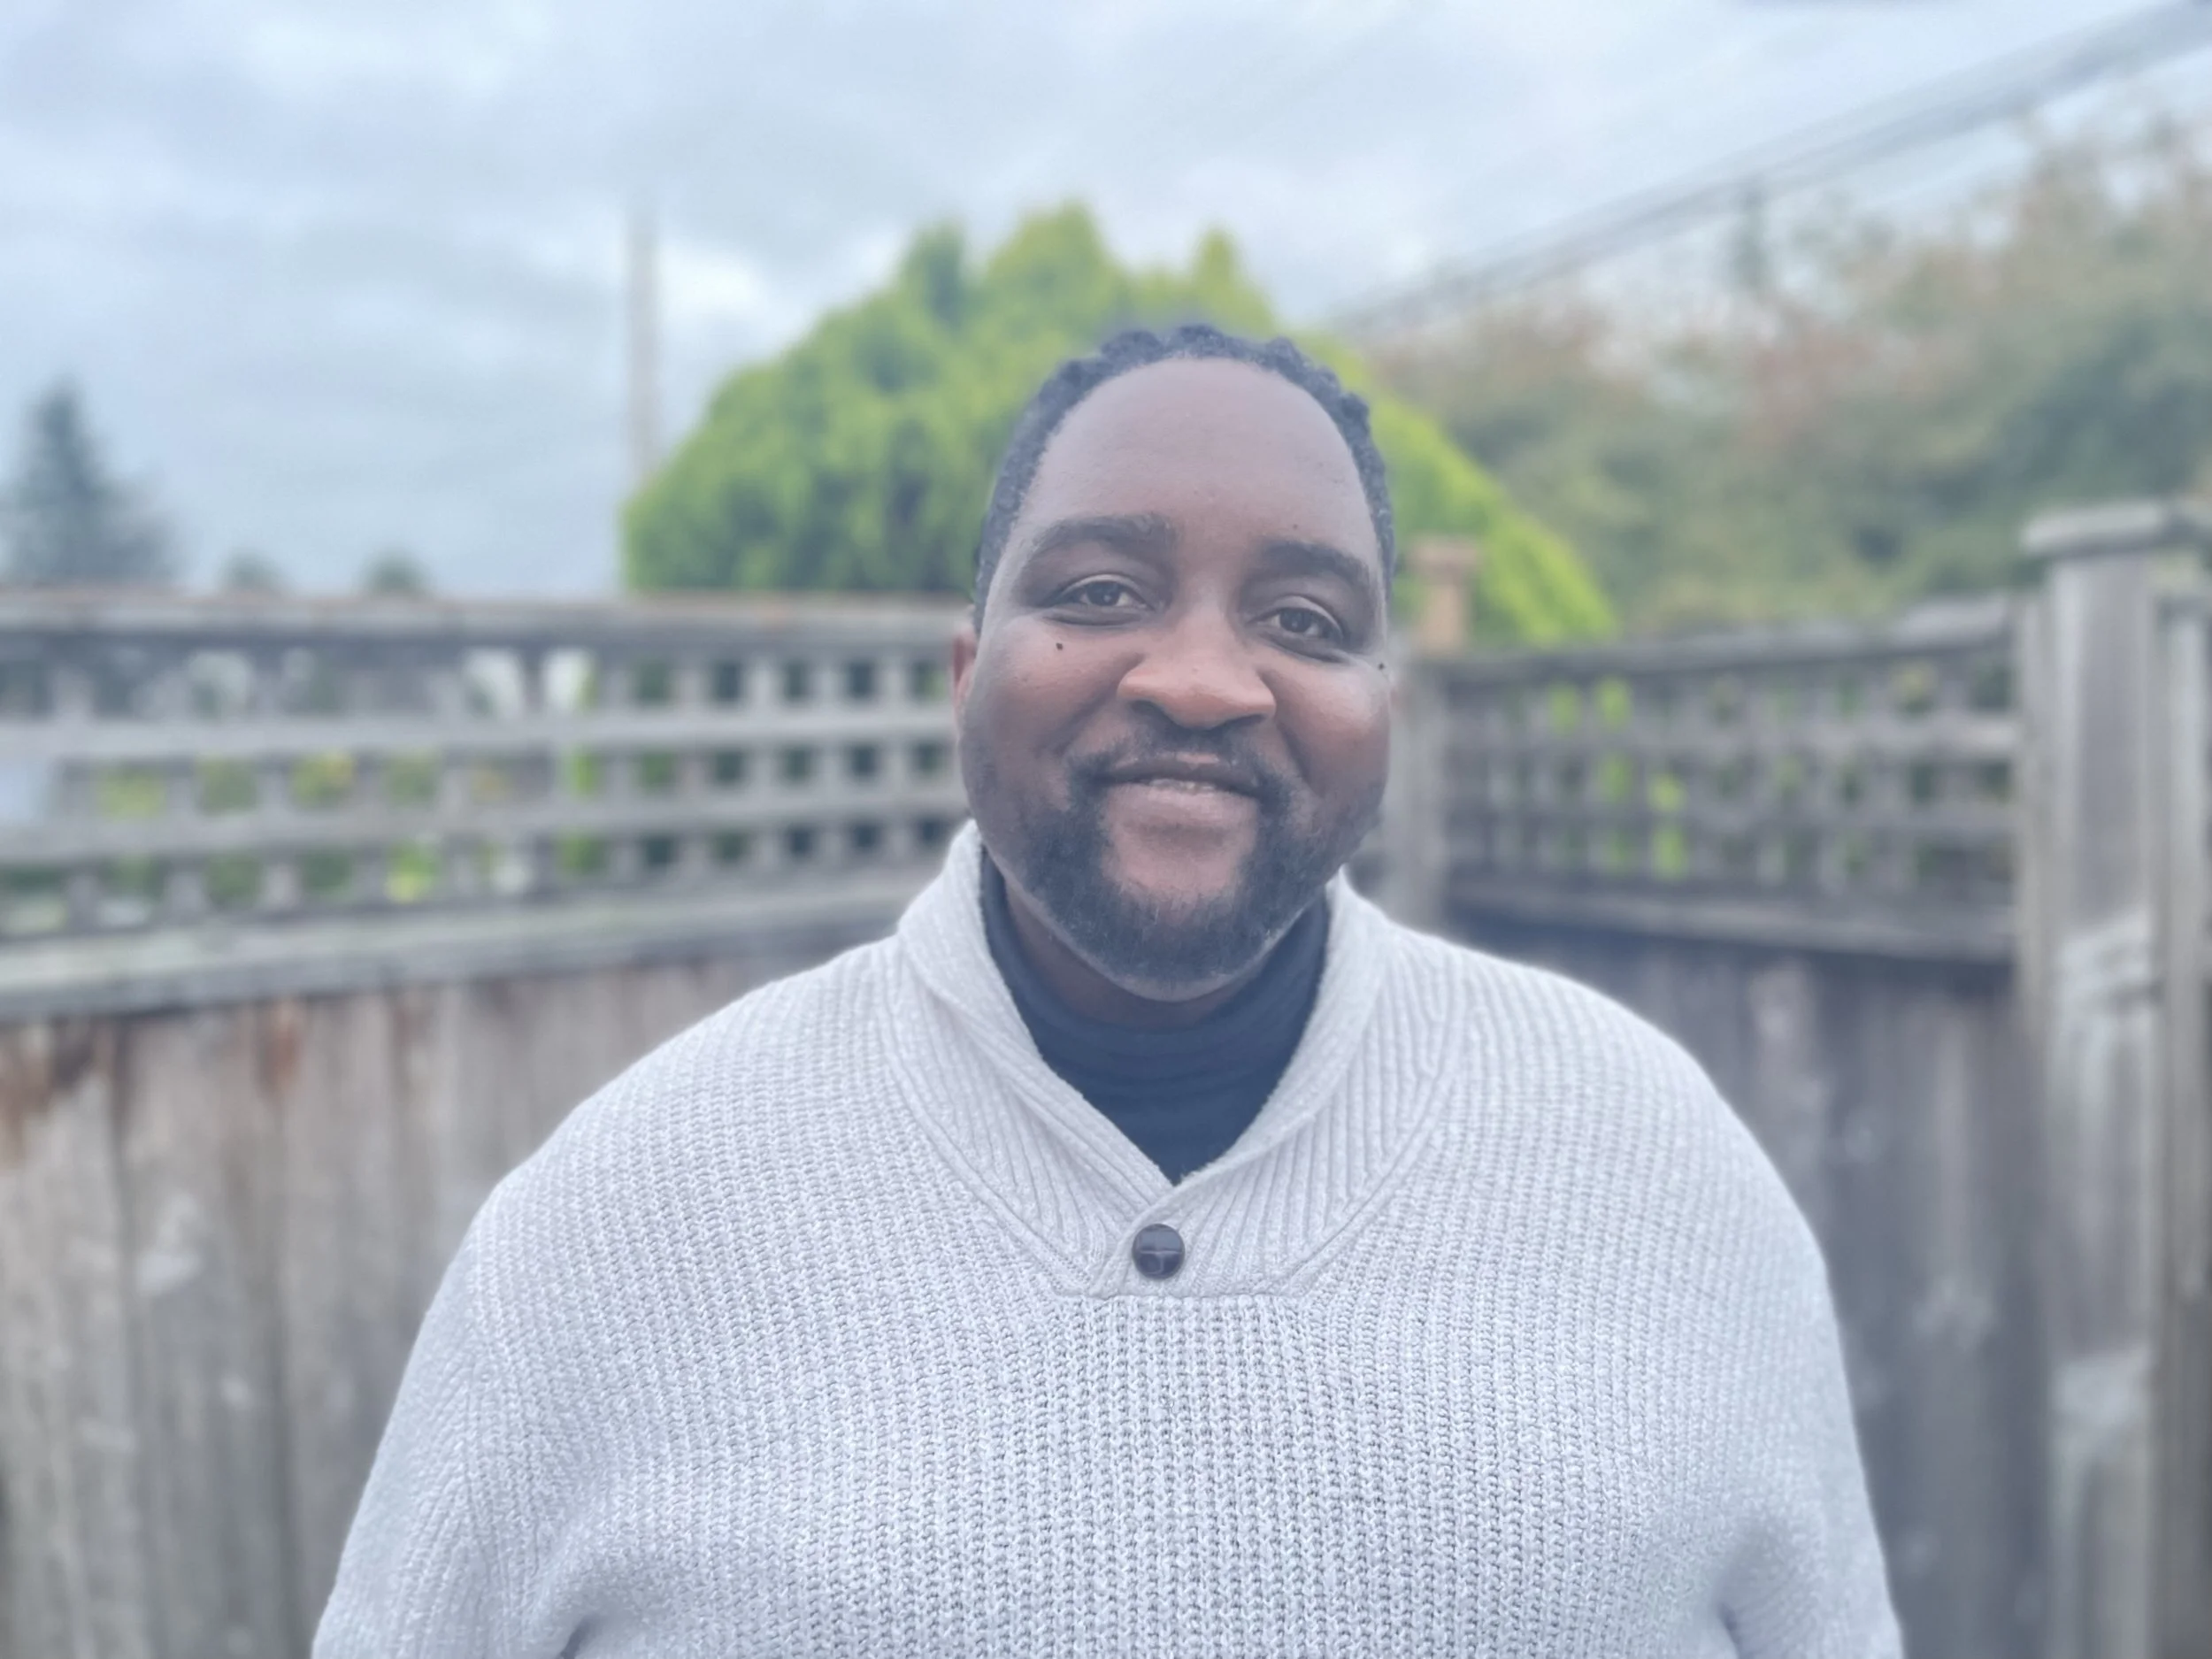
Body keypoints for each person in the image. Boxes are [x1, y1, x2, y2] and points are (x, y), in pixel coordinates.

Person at [316, 325, 1901, 1657]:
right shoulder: (614, 1223)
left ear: (1383, 708)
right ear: (965, 672)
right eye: (1095, 591)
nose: (1203, 681)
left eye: (1304, 621)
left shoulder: (1656, 1165)